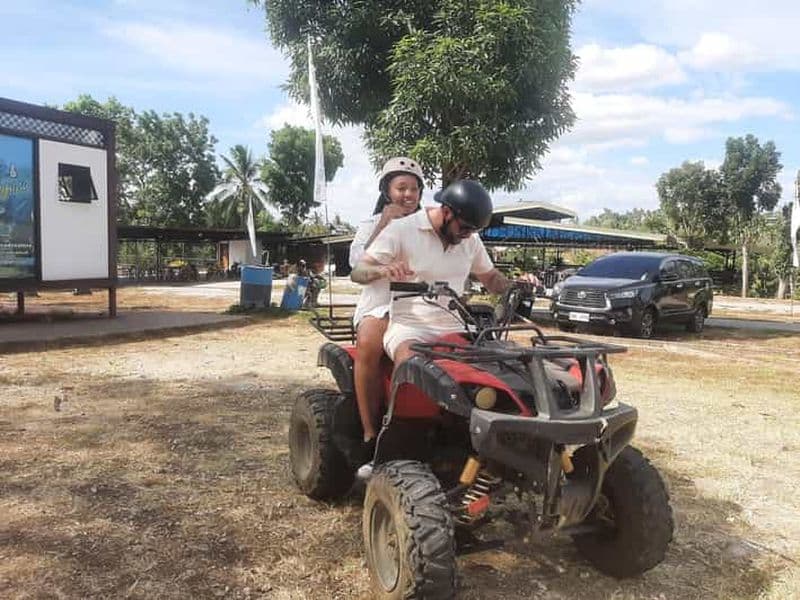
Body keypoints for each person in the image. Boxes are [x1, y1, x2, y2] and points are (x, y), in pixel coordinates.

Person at [351, 179, 529, 367]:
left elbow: (491, 279)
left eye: (474, 230)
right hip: (409, 327)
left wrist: (516, 285)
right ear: (446, 212)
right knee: (413, 365)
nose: (468, 235)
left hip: (456, 327)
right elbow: (358, 272)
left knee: (501, 368)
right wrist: (381, 270)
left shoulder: (471, 240)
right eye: (465, 228)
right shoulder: (401, 230)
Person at [348, 157, 425, 447]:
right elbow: (356, 265)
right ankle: (370, 429)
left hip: (421, 302)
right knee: (369, 340)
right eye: (401, 188)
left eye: (413, 189)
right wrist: (385, 223)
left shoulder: (429, 226)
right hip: (380, 302)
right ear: (386, 191)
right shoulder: (370, 224)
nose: (407, 195)